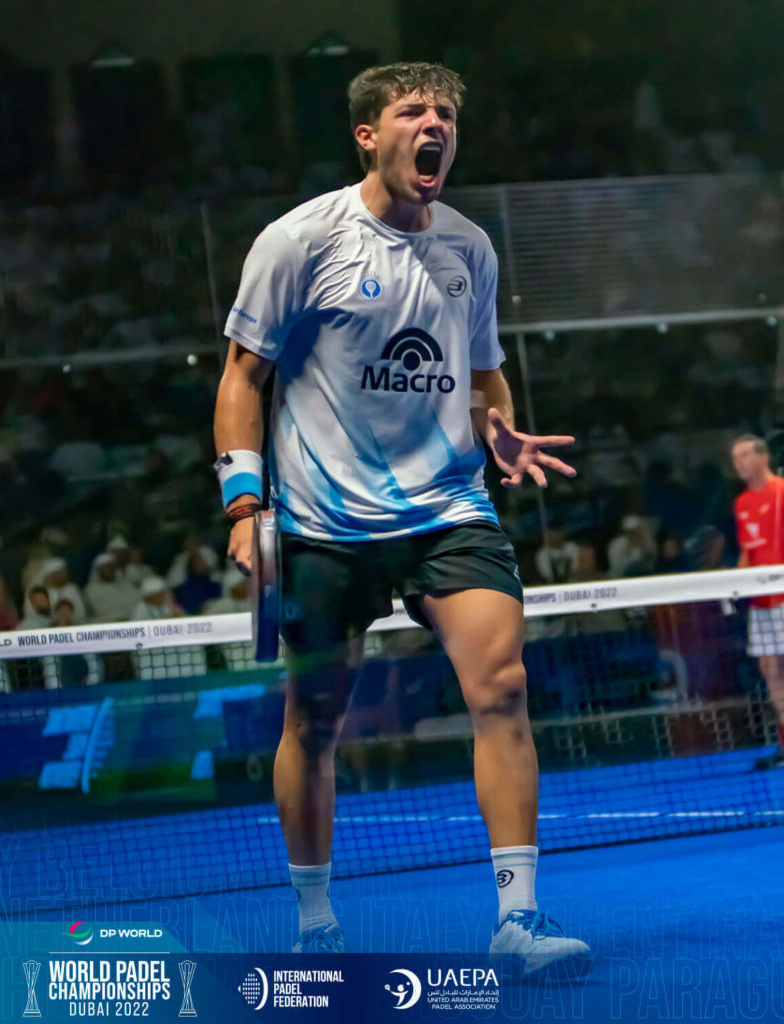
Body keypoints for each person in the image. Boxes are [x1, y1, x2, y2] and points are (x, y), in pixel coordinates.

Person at [212, 62, 591, 979]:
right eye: (413, 111)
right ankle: (315, 922)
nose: (435, 125)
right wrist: (244, 503)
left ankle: (518, 919)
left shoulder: (470, 249)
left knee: (501, 687)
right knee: (314, 722)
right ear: (367, 135)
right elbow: (241, 378)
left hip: (447, 509)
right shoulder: (298, 241)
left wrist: (496, 429)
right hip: (324, 524)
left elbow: (484, 373)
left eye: (446, 113)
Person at [731, 435, 784, 769]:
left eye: (745, 455)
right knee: (769, 669)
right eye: (735, 457)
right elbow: (748, 550)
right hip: (760, 603)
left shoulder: (782, 492)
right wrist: (735, 585)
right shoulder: (742, 502)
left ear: (763, 456)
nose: (739, 462)